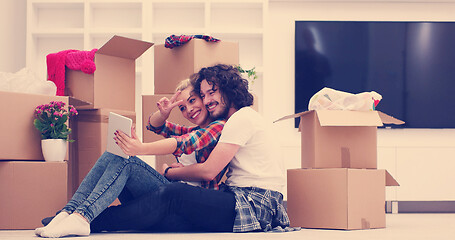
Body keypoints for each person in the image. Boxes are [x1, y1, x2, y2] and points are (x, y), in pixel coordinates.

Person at [82, 64, 290, 234]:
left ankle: (92, 220)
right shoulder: (229, 121)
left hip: (254, 204)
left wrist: (169, 172)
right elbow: (165, 129)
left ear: (228, 89)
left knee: (175, 193)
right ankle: (78, 214)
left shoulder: (240, 118)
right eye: (204, 95)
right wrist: (162, 115)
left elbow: (209, 170)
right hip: (240, 197)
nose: (208, 101)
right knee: (165, 207)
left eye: (212, 92)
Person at [35, 79, 227, 238]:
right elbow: (156, 126)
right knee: (115, 153)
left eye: (193, 101)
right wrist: (163, 113)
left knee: (128, 161)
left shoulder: (218, 126)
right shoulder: (193, 129)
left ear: (204, 99)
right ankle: (69, 212)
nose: (189, 110)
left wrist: (145, 152)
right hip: (166, 199)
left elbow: (185, 142)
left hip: (185, 208)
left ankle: (82, 217)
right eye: (183, 108)